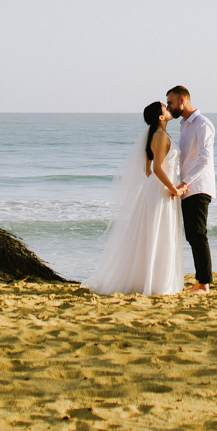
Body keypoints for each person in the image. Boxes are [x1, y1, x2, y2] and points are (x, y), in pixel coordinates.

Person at [84, 101, 184, 295]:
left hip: (153, 190)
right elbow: (156, 169)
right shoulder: (161, 136)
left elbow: (147, 170)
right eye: (165, 107)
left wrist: (159, 186)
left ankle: (147, 280)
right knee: (159, 234)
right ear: (160, 117)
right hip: (162, 191)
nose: (168, 108)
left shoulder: (152, 135)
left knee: (151, 235)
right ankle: (156, 283)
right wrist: (174, 188)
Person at [165, 85, 215, 292]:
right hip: (186, 188)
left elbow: (204, 158)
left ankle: (203, 283)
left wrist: (186, 182)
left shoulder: (203, 124)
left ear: (182, 100)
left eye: (171, 102)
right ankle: (201, 281)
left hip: (198, 187)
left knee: (197, 234)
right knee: (192, 235)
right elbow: (184, 158)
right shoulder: (184, 124)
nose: (169, 107)